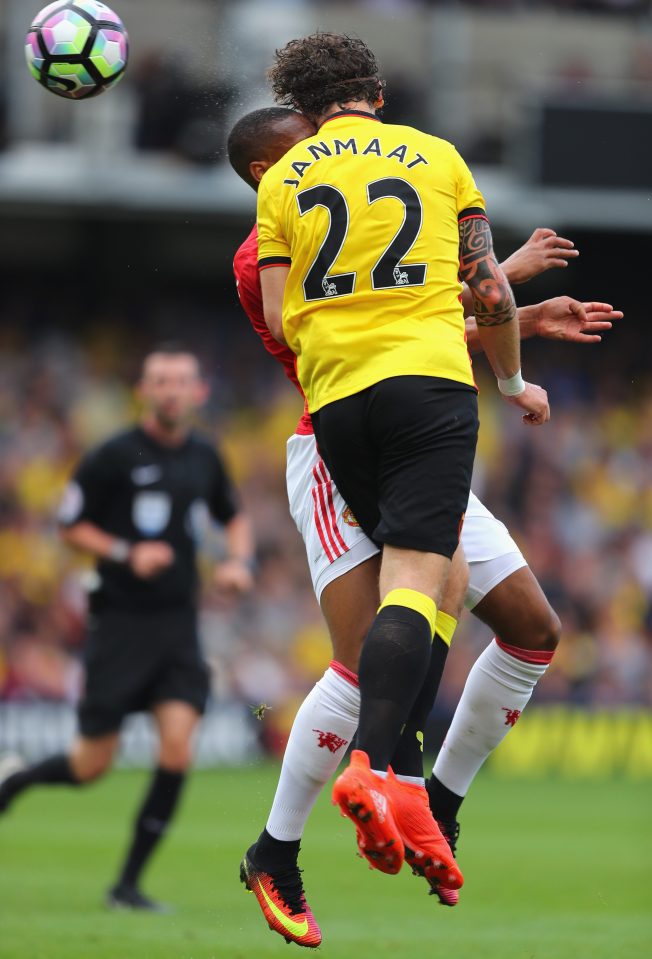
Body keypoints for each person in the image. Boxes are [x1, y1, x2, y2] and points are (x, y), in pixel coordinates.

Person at [229, 103, 619, 946]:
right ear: (271, 173)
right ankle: (275, 850)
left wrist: (515, 314)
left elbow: (412, 310)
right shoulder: (264, 246)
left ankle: (435, 801)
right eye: (309, 148)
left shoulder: (347, 196)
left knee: (532, 628)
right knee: (359, 653)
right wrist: (506, 290)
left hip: (413, 435)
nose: (337, 155)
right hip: (334, 448)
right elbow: (362, 328)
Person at [0, 344, 255, 911]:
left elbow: (233, 515)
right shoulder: (111, 455)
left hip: (178, 626)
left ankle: (127, 886)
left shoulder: (205, 456)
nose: (170, 390)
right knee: (90, 766)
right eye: (160, 380)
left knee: (177, 751)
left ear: (198, 393)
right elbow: (69, 525)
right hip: (119, 624)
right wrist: (125, 551)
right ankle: (14, 783)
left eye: (181, 381)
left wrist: (239, 562)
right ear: (144, 390)